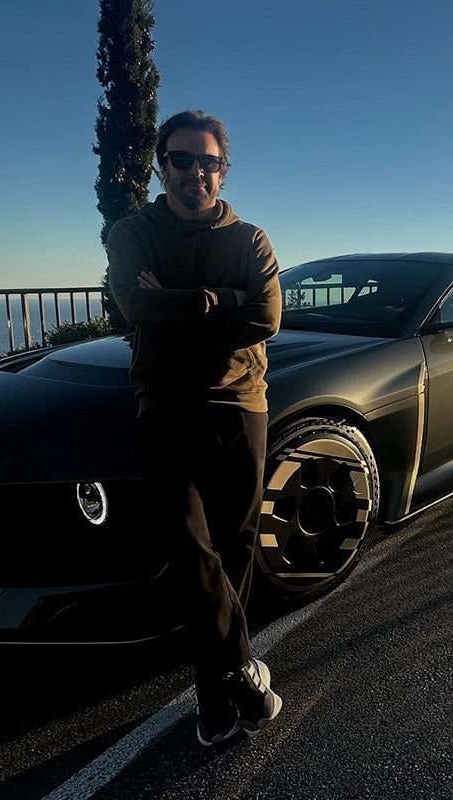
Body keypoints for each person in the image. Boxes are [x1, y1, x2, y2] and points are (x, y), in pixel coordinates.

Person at [106, 109, 283, 746]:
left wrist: (180, 304)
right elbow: (135, 304)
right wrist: (221, 299)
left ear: (223, 170)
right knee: (189, 550)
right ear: (163, 167)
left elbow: (266, 318)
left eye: (208, 162)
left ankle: (214, 694)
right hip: (164, 405)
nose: (195, 173)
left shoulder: (251, 240)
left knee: (235, 544)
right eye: (182, 160)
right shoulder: (133, 233)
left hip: (239, 404)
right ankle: (243, 670)